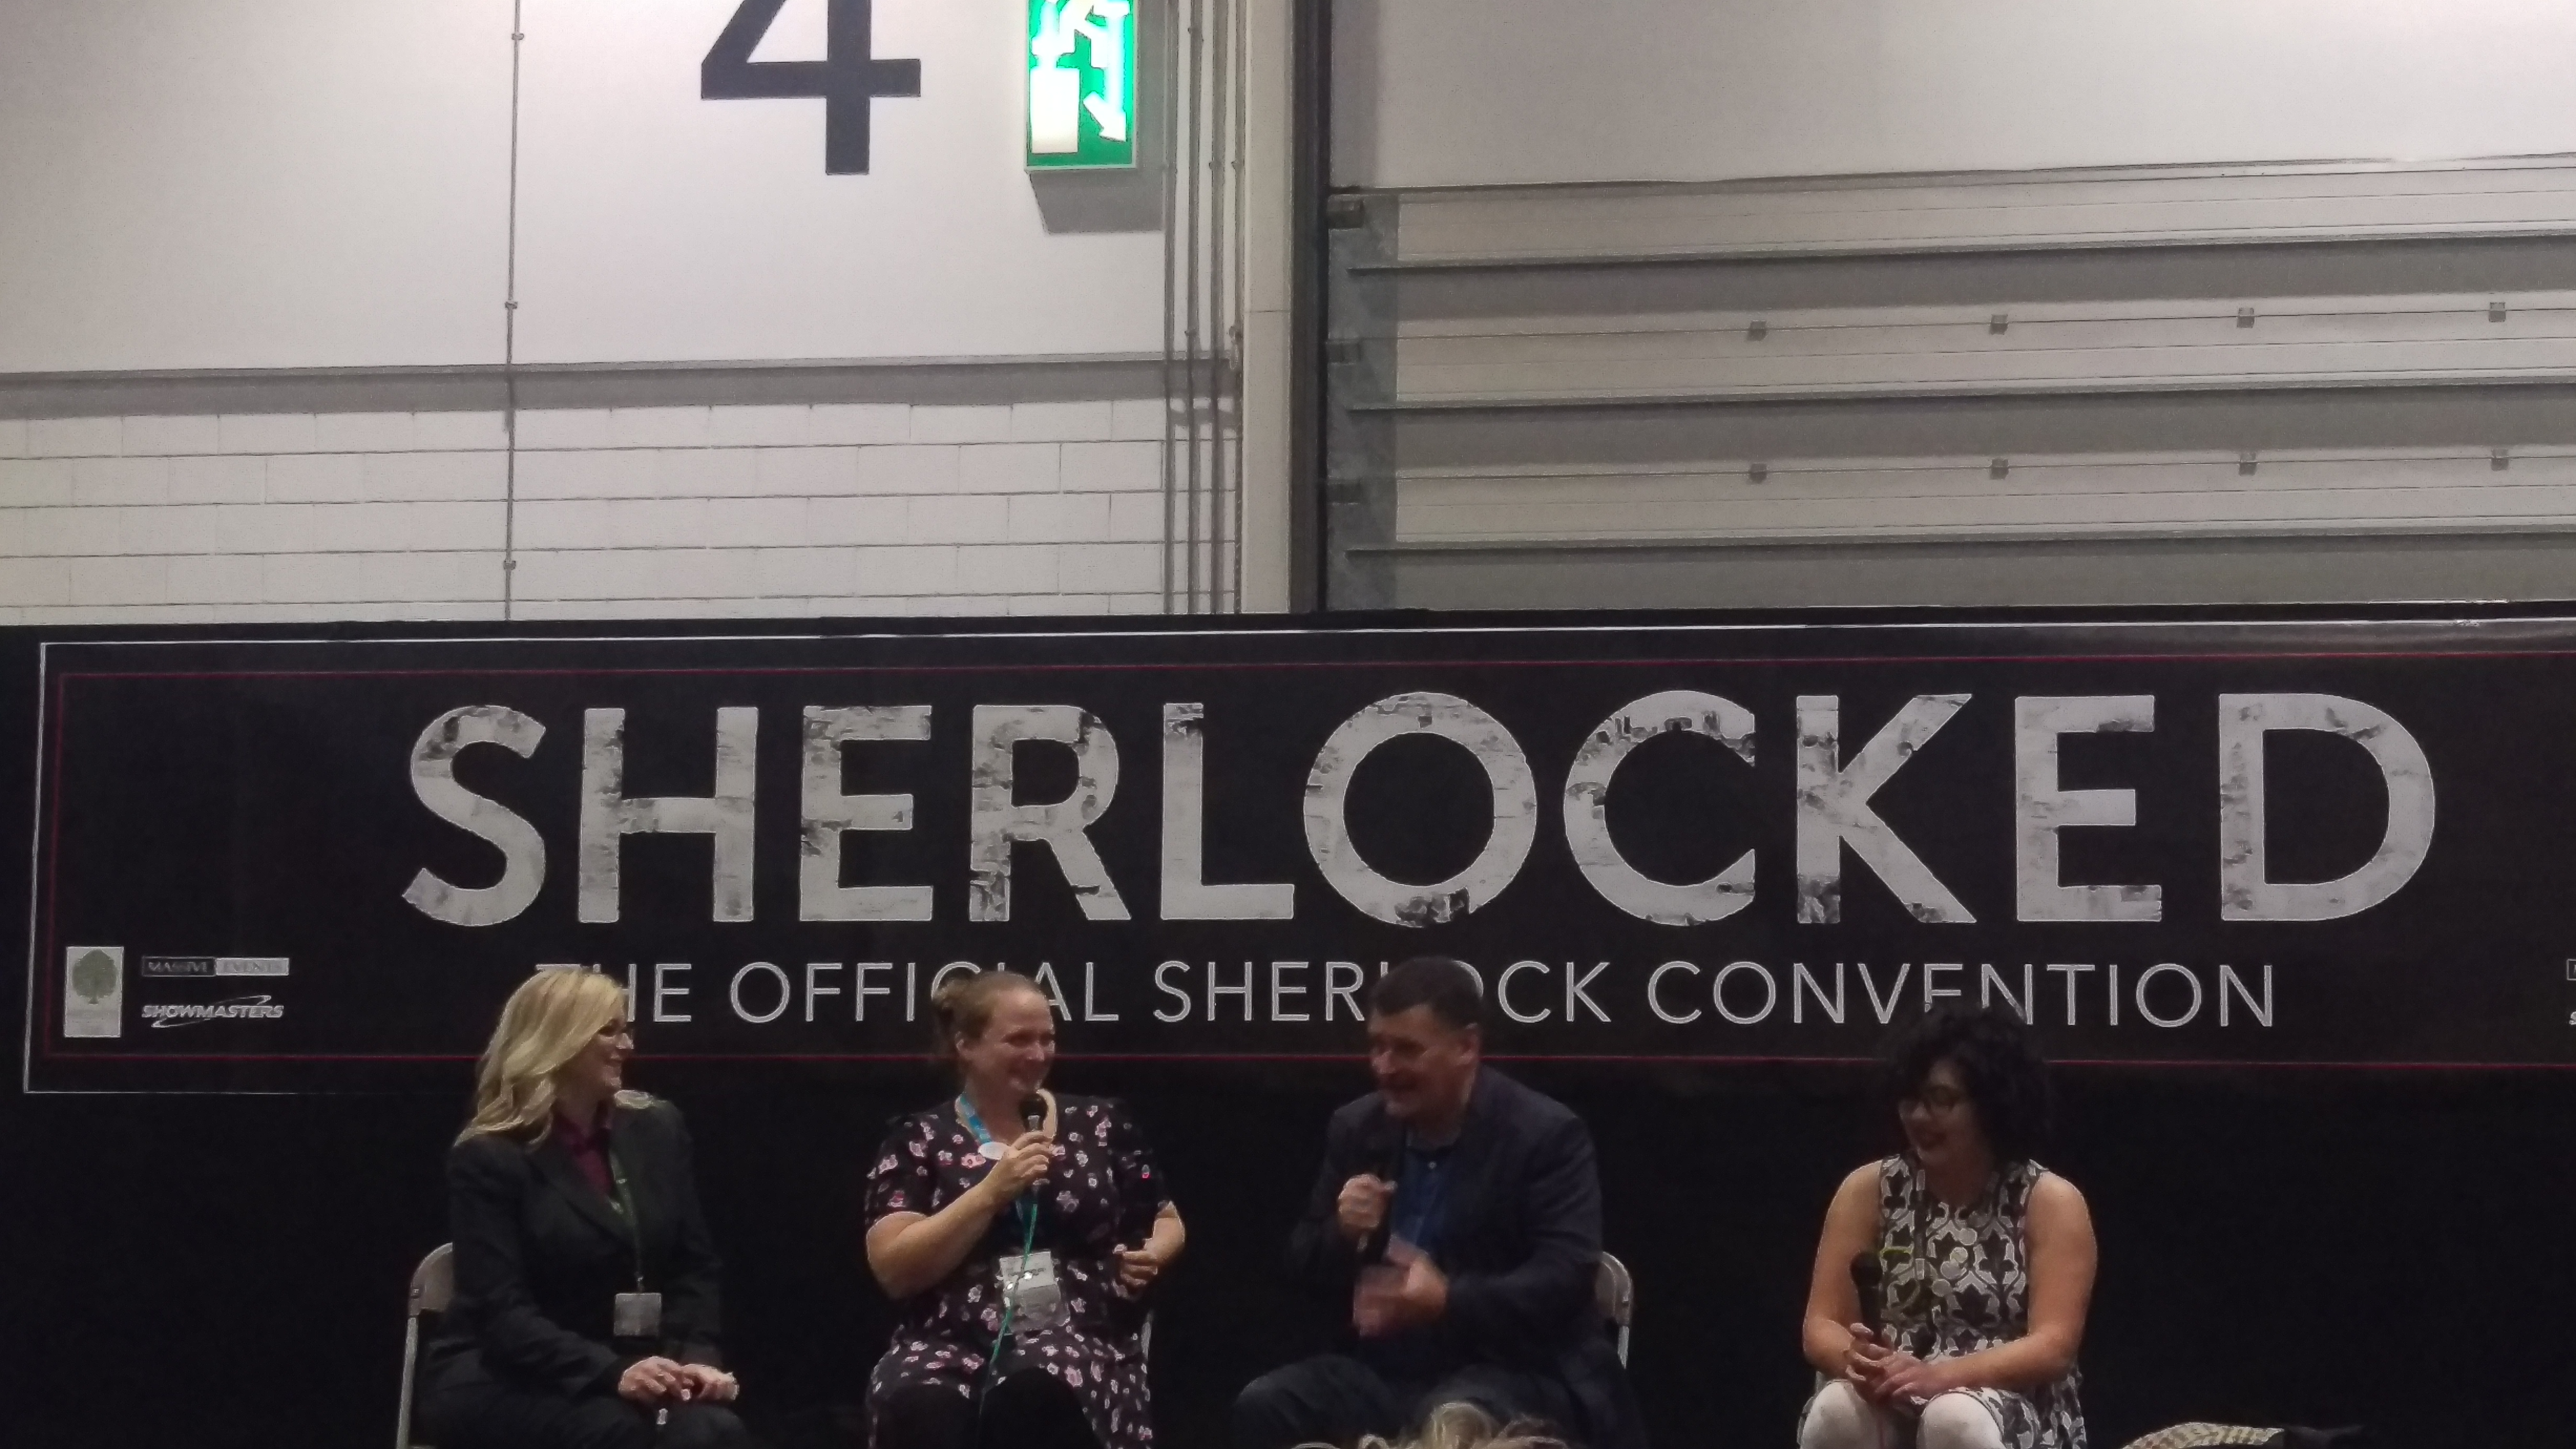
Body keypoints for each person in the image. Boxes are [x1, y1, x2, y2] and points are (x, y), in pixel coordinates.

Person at [1235, 956, 1643, 1449]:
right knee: (1266, 1404)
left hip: (1517, 1371)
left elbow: (1565, 1279)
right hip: (1389, 1373)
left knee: (1450, 1421)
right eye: (1377, 1046)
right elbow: (1301, 1265)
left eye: (1406, 1050)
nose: (1384, 1067)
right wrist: (1341, 1233)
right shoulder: (1358, 1129)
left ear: (1466, 1047)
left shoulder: (1545, 1135)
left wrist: (1448, 1300)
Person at [421, 967, 752, 1449]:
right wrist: (610, 1371)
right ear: (559, 1039)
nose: (627, 1046)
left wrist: (695, 1358)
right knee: (620, 1432)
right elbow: (500, 1312)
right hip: (503, 1373)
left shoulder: (658, 1129)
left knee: (713, 1431)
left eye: (627, 1030)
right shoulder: (489, 1157)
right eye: (609, 1031)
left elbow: (693, 1266)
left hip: (627, 1366)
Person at [863, 970, 1186, 1449]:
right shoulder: (919, 1139)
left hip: (1075, 1332)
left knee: (1032, 1394)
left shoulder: (1101, 1123)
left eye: (1047, 1039)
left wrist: (1151, 1256)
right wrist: (991, 1193)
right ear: (966, 1046)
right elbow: (894, 1270)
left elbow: (1166, 1219)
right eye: (1018, 1040)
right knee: (922, 1406)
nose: (1038, 1055)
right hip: (948, 1338)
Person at [1798, 1004, 2096, 1449]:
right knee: (1838, 1409)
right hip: (1895, 1390)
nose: (1919, 1117)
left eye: (1941, 1100)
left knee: (1953, 1418)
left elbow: (2054, 1347)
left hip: (2006, 1402)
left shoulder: (2049, 1200)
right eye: (1910, 1099)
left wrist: (1938, 1377)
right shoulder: (1867, 1189)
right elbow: (1821, 1324)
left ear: (1991, 1106)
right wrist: (1860, 1362)